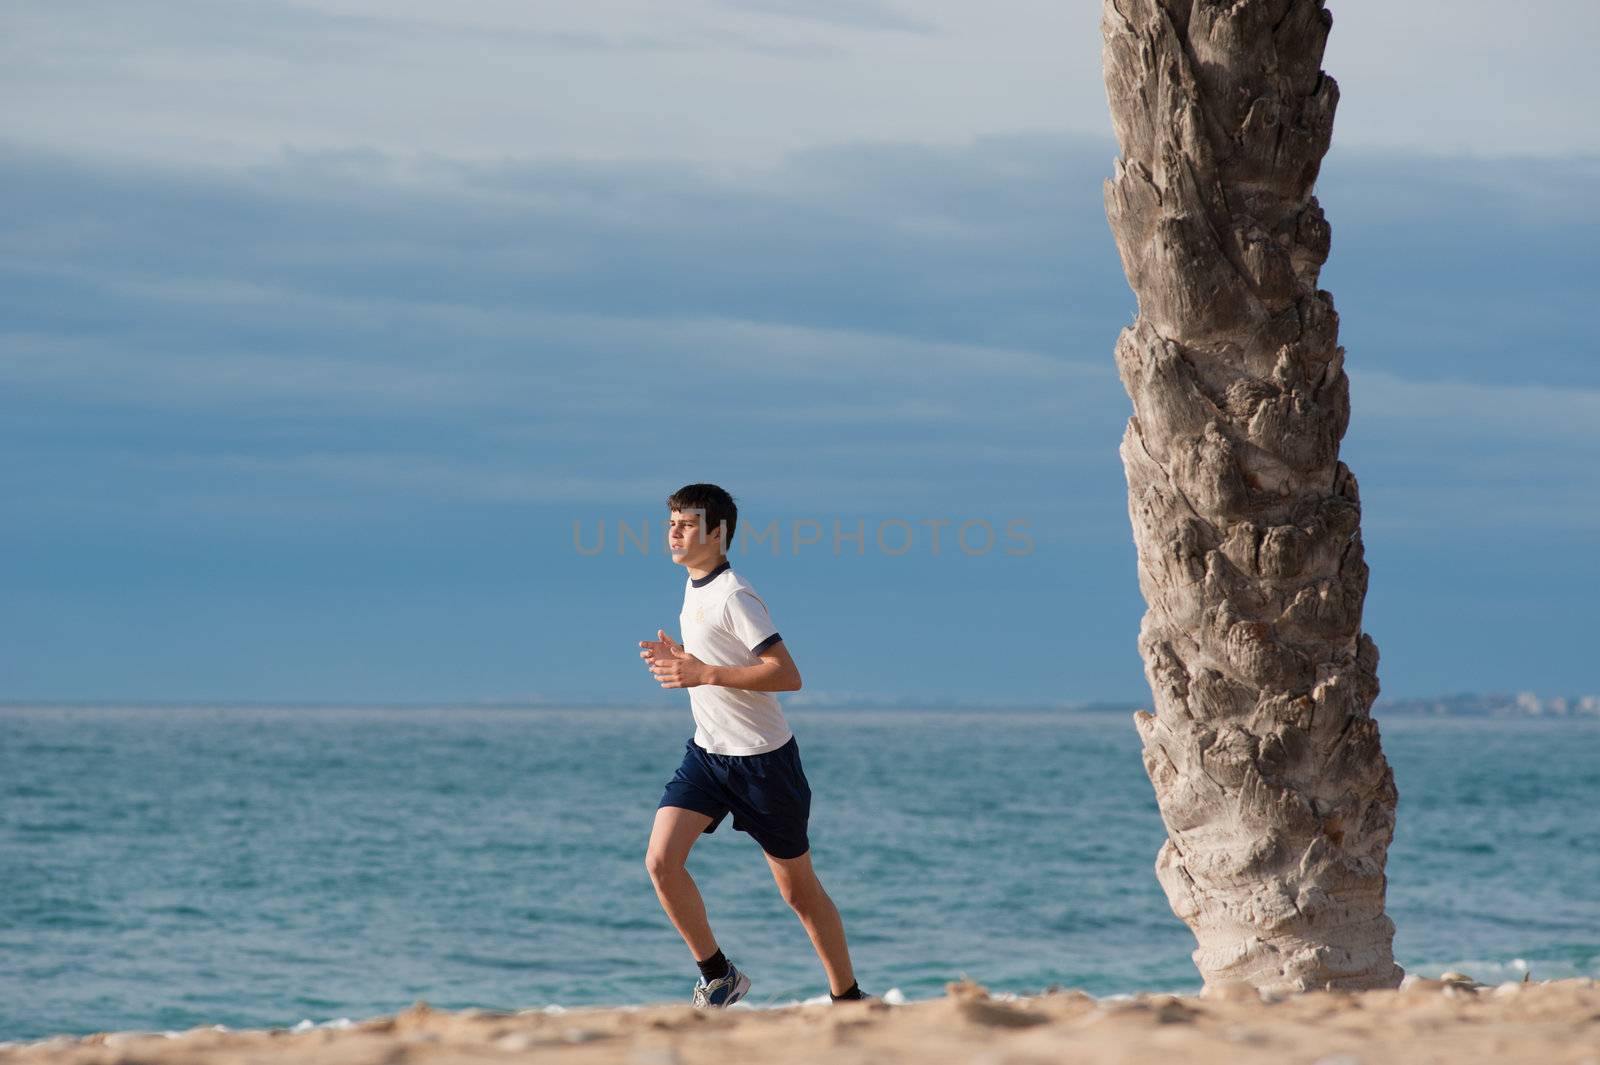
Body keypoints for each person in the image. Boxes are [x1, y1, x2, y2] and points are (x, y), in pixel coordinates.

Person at [639, 483, 867, 1008]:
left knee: (798, 893)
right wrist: (685, 658)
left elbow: (787, 674)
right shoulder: (695, 587)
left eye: (687, 524)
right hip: (707, 756)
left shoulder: (734, 593)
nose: (674, 531)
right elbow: (716, 661)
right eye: (671, 522)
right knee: (660, 861)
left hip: (765, 764)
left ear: (717, 534)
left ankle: (848, 998)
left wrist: (704, 670)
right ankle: (718, 974)